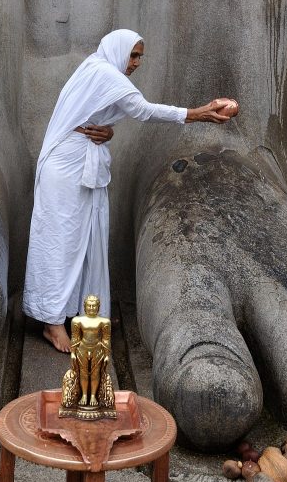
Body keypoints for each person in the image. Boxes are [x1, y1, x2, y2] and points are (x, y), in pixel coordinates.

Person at [22, 29, 237, 352]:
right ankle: (51, 323)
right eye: (133, 54)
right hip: (66, 170)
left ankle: (82, 310)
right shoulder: (104, 72)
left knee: (88, 237)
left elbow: (91, 114)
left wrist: (107, 131)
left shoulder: (99, 69)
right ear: (118, 50)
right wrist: (199, 114)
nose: (136, 62)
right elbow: (143, 110)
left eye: (140, 57)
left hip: (82, 164)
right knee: (61, 240)